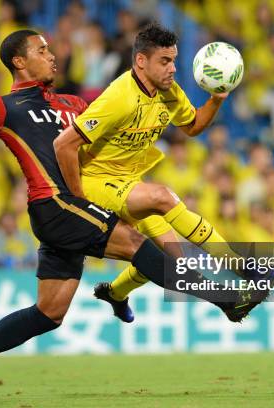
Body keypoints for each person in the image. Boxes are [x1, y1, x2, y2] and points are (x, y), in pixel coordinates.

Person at [0, 30, 267, 400]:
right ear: (18, 61)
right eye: (41, 51)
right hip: (55, 204)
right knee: (136, 244)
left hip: (77, 207)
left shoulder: (72, 104)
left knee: (49, 312)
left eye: (50, 50)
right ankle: (227, 299)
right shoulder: (3, 107)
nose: (52, 56)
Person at [54, 23, 246, 321]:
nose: (172, 69)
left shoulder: (169, 93)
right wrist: (78, 201)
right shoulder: (119, 97)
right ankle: (240, 266)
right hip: (96, 183)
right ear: (141, 61)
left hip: (128, 181)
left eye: (173, 60)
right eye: (164, 61)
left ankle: (114, 293)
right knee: (163, 196)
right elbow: (64, 144)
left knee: (174, 261)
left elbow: (192, 126)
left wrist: (216, 100)